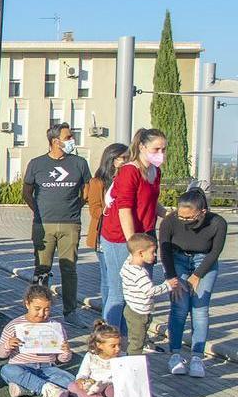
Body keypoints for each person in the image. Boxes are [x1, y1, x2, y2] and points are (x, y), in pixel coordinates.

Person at [22, 123, 92, 321]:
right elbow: (27, 192)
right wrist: (38, 210)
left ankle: (70, 311)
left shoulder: (79, 163)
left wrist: (76, 206)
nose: (72, 140)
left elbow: (87, 189)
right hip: (43, 225)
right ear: (55, 141)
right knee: (42, 268)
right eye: (68, 137)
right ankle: (38, 310)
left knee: (69, 268)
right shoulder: (37, 164)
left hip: (70, 223)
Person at [99, 128, 167, 329]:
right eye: (156, 149)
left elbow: (151, 202)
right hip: (121, 238)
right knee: (119, 293)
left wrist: (169, 215)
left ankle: (132, 341)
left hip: (145, 237)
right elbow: (124, 209)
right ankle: (108, 338)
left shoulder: (155, 172)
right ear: (142, 147)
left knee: (139, 294)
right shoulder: (129, 171)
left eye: (163, 149)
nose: (160, 154)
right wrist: (133, 245)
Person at [161, 188, 227, 378]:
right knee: (179, 307)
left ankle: (197, 357)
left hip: (204, 261)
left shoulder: (218, 223)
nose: (184, 221)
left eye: (189, 218)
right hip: (176, 260)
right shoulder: (170, 221)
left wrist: (197, 275)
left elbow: (216, 251)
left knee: (200, 308)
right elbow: (164, 250)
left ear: (202, 212)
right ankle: (175, 354)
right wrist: (172, 277)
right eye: (181, 216)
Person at [68, 320, 165, 397]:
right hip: (92, 385)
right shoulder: (90, 356)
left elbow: (124, 380)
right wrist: (81, 381)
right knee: (72, 387)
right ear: (99, 345)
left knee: (119, 392)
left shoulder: (121, 358)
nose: (117, 349)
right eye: (113, 346)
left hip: (110, 386)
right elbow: (83, 373)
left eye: (119, 345)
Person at [0, 284, 74, 397]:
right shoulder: (14, 325)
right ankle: (46, 388)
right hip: (22, 366)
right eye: (37, 308)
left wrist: (66, 351)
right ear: (27, 304)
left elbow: (63, 359)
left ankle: (26, 388)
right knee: (7, 370)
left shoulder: (55, 326)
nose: (42, 313)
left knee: (71, 380)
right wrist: (8, 345)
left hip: (47, 368)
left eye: (47, 309)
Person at [120, 233, 174, 355]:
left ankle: (140, 349)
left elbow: (131, 254)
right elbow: (149, 291)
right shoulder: (139, 273)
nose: (155, 255)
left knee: (139, 336)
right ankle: (134, 362)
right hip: (139, 312)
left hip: (132, 308)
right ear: (140, 253)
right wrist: (168, 285)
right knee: (136, 342)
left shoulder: (128, 264)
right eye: (152, 252)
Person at [85, 143, 129, 255]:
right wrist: (112, 210)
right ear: (112, 159)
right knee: (108, 270)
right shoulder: (97, 182)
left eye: (129, 158)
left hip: (124, 230)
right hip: (105, 232)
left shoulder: (128, 179)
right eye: (123, 158)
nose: (127, 161)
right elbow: (94, 210)